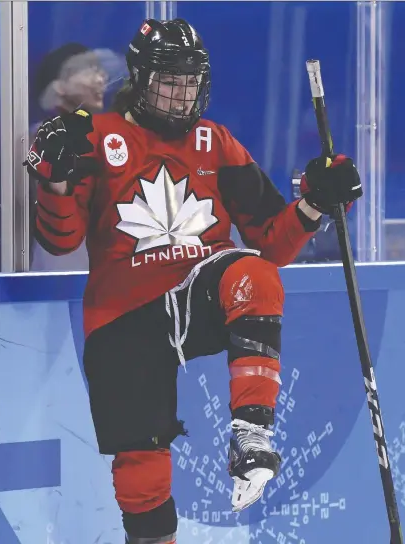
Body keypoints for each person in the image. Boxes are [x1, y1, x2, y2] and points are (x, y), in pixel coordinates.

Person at [25, 18, 362, 544]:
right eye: (170, 81)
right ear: (140, 77)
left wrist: (315, 203)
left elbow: (272, 241)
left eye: (190, 83)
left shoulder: (216, 141)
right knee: (141, 468)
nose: (182, 96)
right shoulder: (96, 132)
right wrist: (54, 178)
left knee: (255, 274)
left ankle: (251, 436)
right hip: (123, 314)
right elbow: (60, 240)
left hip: (199, 287)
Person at [29, 42, 126, 271]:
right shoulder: (41, 136)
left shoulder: (110, 138)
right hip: (61, 272)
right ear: (58, 86)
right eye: (89, 69)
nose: (101, 77)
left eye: (100, 70)